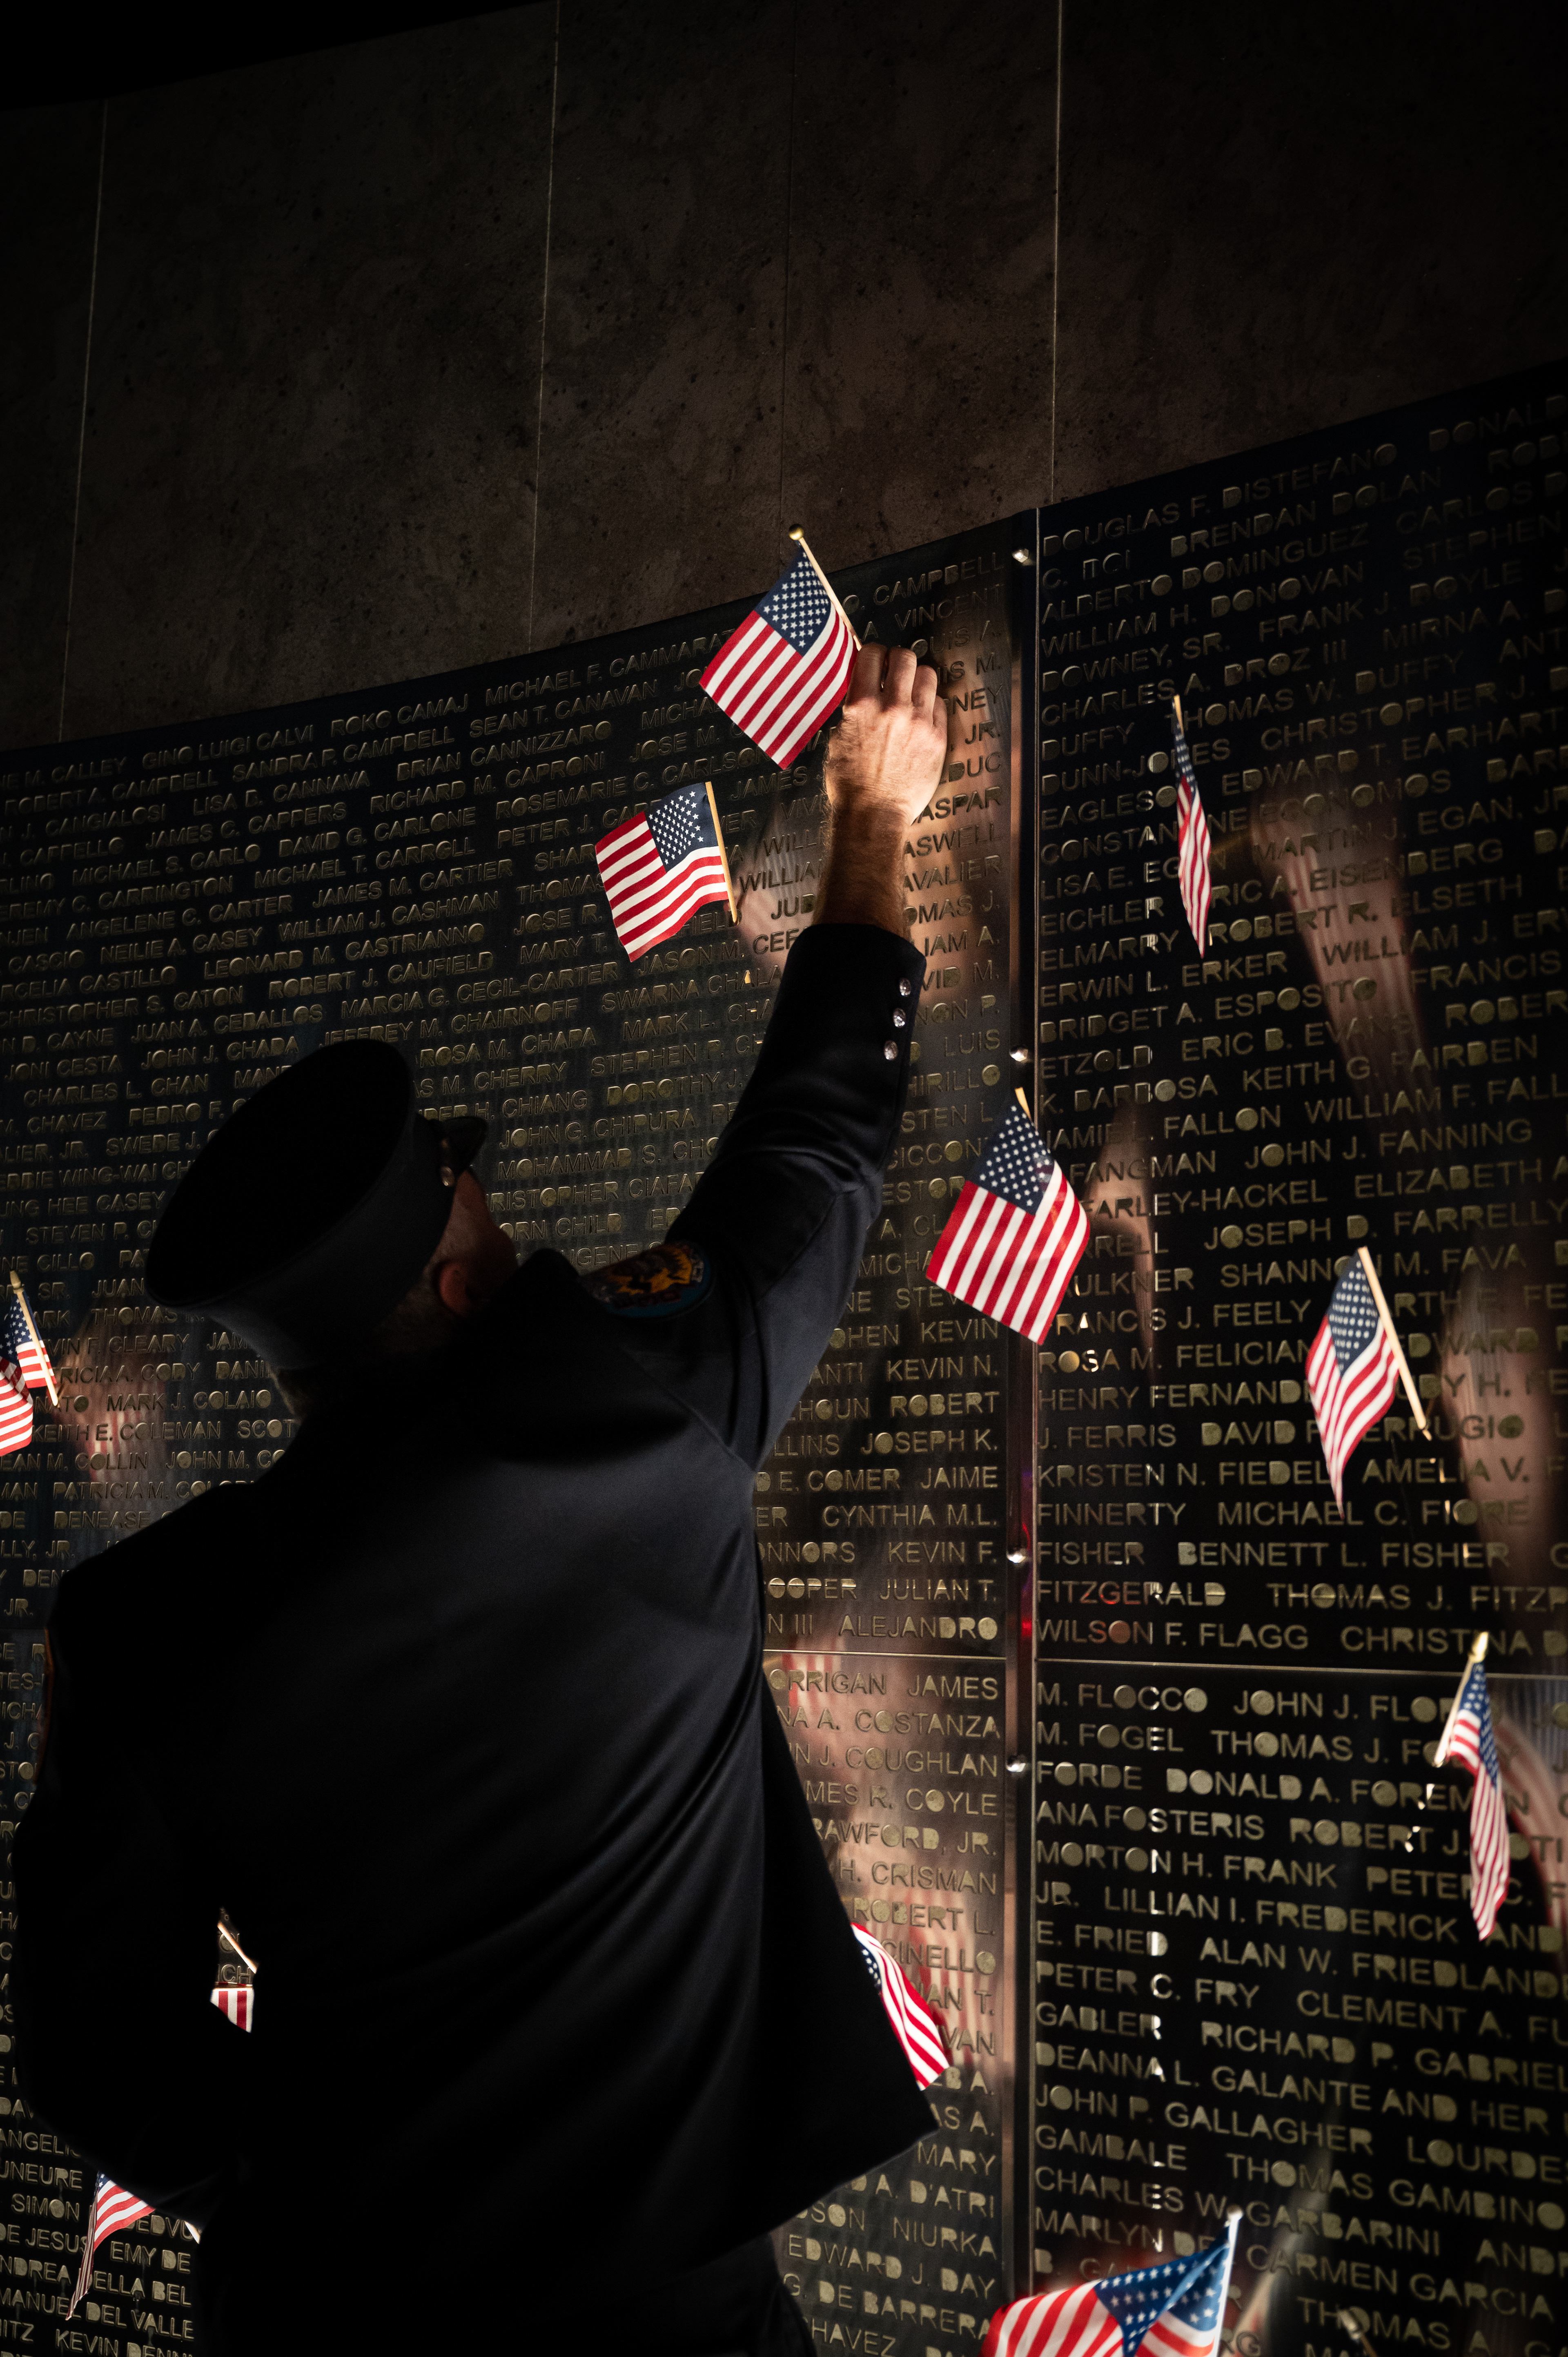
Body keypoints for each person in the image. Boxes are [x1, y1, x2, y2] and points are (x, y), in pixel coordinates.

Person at [15, 641, 949, 2355]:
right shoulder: (628, 1418)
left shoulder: (147, 1631)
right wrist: (875, 820)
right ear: (459, 1283)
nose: (500, 1227)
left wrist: (340, 2180)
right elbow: (815, 1156)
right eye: (472, 1201)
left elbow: (89, 2048)